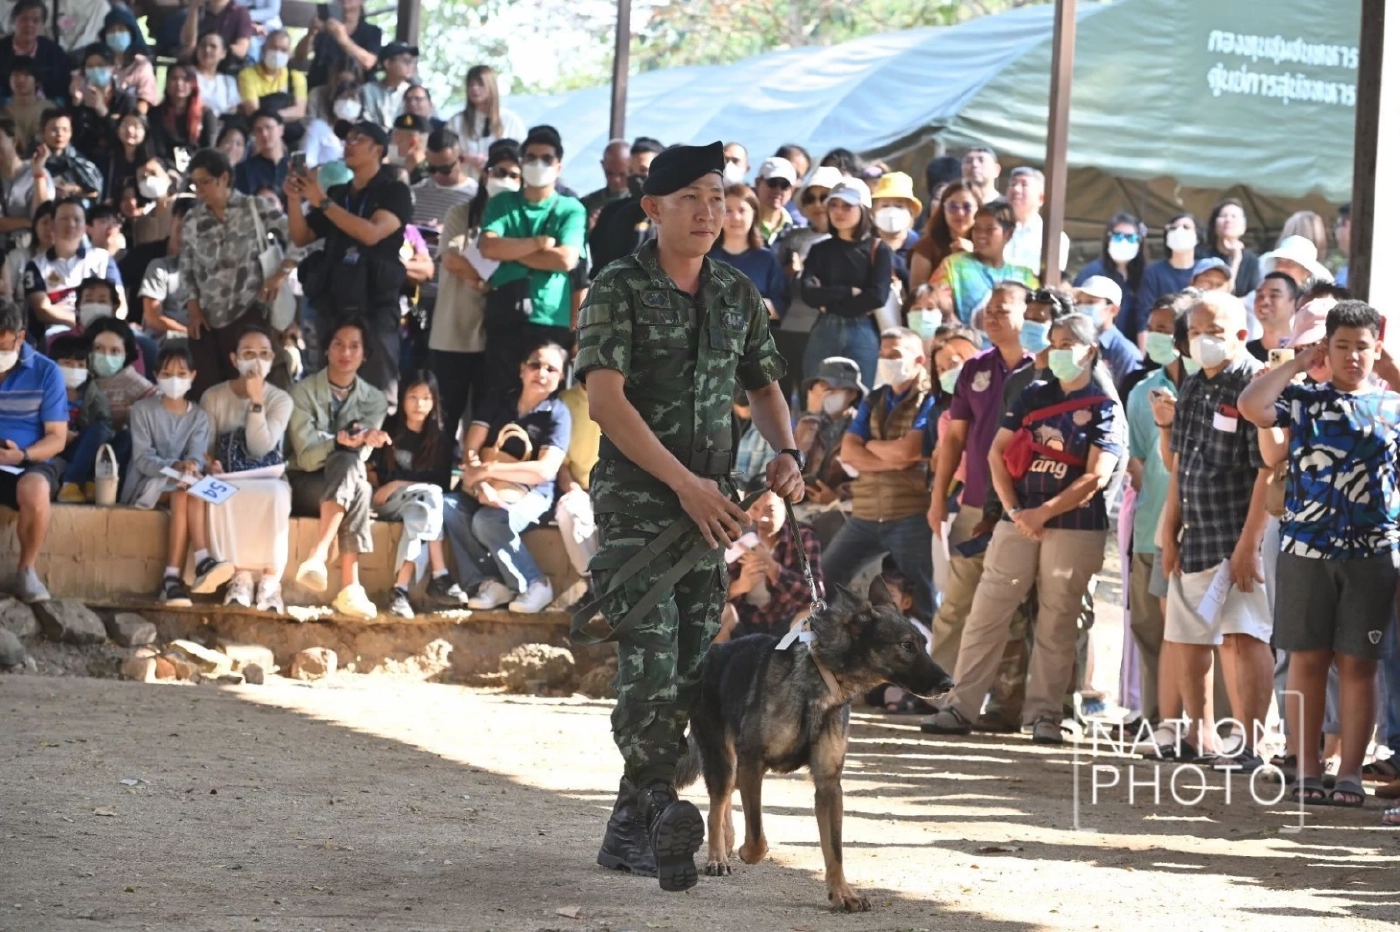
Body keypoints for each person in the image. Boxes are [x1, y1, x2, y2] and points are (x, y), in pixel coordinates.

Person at [573, 141, 800, 891]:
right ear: (653, 210)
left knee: (691, 664)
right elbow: (606, 401)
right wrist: (684, 484)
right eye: (692, 199)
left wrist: (788, 451)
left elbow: (765, 387)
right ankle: (652, 808)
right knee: (651, 655)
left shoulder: (735, 293)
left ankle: (634, 817)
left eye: (718, 196)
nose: (711, 210)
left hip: (713, 509)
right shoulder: (618, 287)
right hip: (642, 502)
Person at [923, 313, 1125, 743]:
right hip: (1018, 520)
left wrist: (1043, 513)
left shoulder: (1106, 406)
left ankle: (1045, 716)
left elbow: (1097, 476)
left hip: (1074, 526)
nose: (1057, 350)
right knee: (986, 613)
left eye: (1069, 342)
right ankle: (960, 707)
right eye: (1053, 342)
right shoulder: (1032, 394)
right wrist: (1016, 510)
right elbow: (996, 453)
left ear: (1090, 350)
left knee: (1057, 622)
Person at [1238, 300, 1400, 806]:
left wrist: (1392, 367)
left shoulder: (1392, 405)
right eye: (1342, 346)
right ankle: (1307, 766)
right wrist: (1295, 362)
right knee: (1306, 659)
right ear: (1327, 348)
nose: (1353, 357)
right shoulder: (1305, 399)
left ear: (1377, 348)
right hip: (1307, 548)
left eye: (1362, 347)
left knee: (1359, 664)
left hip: (1373, 554)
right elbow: (1251, 406)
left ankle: (1349, 771)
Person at [1159, 291, 1273, 766]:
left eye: (1216, 332)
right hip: (1195, 532)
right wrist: (1169, 530)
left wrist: (1249, 544)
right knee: (1188, 637)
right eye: (1197, 333)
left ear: (1243, 335)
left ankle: (1253, 742)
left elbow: (1267, 472)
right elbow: (1179, 464)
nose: (1204, 341)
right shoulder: (1190, 385)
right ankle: (1198, 734)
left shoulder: (1254, 387)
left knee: (1243, 636)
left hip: (1238, 533)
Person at [924, 281, 1031, 676]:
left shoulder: (1043, 369)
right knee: (955, 603)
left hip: (1023, 508)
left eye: (1004, 310)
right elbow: (954, 439)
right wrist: (938, 499)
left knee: (1013, 609)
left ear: (1027, 315)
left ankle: (1000, 698)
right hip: (972, 503)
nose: (993, 317)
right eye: (990, 310)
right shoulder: (975, 368)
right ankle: (937, 689)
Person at [442, 340, 571, 614]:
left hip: (534, 493)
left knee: (487, 520)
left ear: (560, 378)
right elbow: (471, 449)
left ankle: (535, 584)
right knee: (449, 506)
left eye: (552, 369)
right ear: (523, 369)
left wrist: (488, 471)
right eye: (536, 365)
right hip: (485, 486)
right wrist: (481, 487)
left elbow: (544, 470)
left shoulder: (558, 415)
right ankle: (489, 583)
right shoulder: (498, 400)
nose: (542, 373)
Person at [286, 119, 413, 393]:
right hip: (334, 302)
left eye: (358, 139)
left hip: (374, 303)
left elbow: (371, 233)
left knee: (377, 392)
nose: (348, 144)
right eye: (347, 138)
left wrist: (321, 200)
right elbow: (301, 236)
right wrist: (294, 199)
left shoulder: (395, 191)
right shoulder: (338, 193)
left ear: (378, 149)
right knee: (327, 389)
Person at [821, 327, 936, 621]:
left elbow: (910, 452)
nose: (887, 361)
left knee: (922, 601)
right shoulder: (875, 399)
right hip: (866, 513)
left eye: (895, 355)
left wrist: (869, 447)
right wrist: (892, 456)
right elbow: (849, 453)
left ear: (919, 360)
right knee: (824, 582)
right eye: (883, 354)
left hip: (910, 513)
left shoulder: (930, 398)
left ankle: (926, 663)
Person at [1124, 292, 1198, 726]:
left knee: (1198, 634)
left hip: (1203, 530)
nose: (1158, 336)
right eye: (1153, 326)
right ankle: (1155, 720)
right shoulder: (1141, 391)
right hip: (1152, 525)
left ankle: (1200, 724)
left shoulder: (1210, 389)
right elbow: (1137, 460)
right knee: (1151, 631)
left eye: (1168, 327)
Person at [288, 318, 387, 619]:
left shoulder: (375, 400)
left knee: (355, 474)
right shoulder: (302, 392)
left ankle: (321, 560)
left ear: (364, 354)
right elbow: (304, 458)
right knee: (352, 470)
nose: (346, 352)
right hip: (305, 482)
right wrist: (337, 442)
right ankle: (348, 584)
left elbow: (361, 455)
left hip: (344, 480)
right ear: (327, 350)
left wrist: (351, 443)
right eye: (339, 344)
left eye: (354, 346)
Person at [476, 125, 585, 386]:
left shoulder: (571, 209)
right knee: (500, 399)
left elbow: (565, 260)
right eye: (532, 157)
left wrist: (511, 252)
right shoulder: (502, 203)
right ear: (522, 163)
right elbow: (488, 248)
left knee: (542, 405)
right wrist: (538, 243)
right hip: (505, 316)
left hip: (551, 320)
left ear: (559, 167)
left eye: (547, 158)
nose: (539, 163)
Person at [183, 147, 296, 398]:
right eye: (195, 184)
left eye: (205, 182)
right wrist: (192, 306)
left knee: (253, 388)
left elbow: (297, 237)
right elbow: (187, 265)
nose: (199, 190)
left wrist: (280, 274)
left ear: (223, 178)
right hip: (207, 320)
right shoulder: (192, 218)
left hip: (250, 311)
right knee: (210, 393)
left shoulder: (254, 207)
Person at [121, 343, 229, 604]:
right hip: (147, 482)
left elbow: (196, 455)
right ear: (156, 375)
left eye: (181, 373)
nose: (174, 380)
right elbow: (144, 459)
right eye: (167, 373)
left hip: (182, 485)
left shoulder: (200, 418)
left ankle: (171, 579)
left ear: (193, 375)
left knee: (184, 491)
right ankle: (201, 559)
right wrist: (177, 466)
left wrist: (190, 466)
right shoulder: (142, 411)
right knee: (184, 489)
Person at [200, 325, 294, 612]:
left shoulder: (280, 399)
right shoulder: (213, 396)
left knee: (276, 495)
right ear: (234, 359)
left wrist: (257, 401)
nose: (256, 361)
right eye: (249, 353)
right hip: (224, 474)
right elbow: (204, 445)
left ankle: (269, 579)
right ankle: (237, 574)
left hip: (266, 476)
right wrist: (209, 464)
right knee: (214, 494)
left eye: (264, 354)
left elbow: (259, 448)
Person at [429, 142, 513, 444]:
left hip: (494, 337)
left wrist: (485, 281)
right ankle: (435, 480)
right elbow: (451, 260)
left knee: (483, 419)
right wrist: (493, 280)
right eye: (498, 171)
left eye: (513, 175)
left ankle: (473, 481)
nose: (504, 179)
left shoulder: (521, 222)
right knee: (443, 417)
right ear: (484, 174)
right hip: (451, 333)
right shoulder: (461, 213)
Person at [371, 371, 469, 619]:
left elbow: (441, 484)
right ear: (402, 399)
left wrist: (399, 482)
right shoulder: (389, 427)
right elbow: (372, 471)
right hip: (387, 502)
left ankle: (400, 590)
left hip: (419, 504)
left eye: (426, 398)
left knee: (423, 510)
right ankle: (440, 575)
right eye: (413, 397)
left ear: (434, 402)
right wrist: (387, 487)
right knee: (428, 501)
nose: (419, 404)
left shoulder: (441, 437)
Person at [0, 298, 65, 602]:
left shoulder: (47, 372)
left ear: (20, 337)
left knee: (36, 491)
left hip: (29, 461)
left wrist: (22, 456)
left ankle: (26, 571)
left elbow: (56, 438)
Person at [799, 178, 890, 388]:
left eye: (847, 205)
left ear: (863, 209)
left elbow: (877, 296)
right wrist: (849, 291)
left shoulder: (878, 249)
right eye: (833, 204)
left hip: (862, 329)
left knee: (861, 399)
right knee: (816, 395)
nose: (838, 211)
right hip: (824, 328)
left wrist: (829, 299)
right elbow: (808, 293)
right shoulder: (819, 250)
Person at [717, 484, 823, 642]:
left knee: (810, 617)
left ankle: (800, 664)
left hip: (785, 621)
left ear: (785, 509)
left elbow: (816, 595)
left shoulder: (802, 538)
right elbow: (711, 595)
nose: (762, 518)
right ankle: (716, 663)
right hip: (742, 621)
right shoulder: (733, 538)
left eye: (770, 510)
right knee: (722, 613)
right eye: (754, 509)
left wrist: (774, 569)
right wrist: (741, 585)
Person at [772, 164, 840, 401]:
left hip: (828, 334)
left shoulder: (855, 242)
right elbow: (777, 284)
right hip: (789, 331)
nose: (818, 204)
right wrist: (791, 274)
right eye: (811, 198)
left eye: (826, 196)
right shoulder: (794, 237)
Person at [930, 199, 1037, 327]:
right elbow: (936, 306)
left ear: (1008, 234)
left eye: (989, 230)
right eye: (977, 229)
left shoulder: (1024, 275)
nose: (980, 235)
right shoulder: (953, 266)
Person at [23, 196, 121, 332]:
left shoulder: (102, 258)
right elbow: (43, 311)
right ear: (52, 225)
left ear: (85, 226)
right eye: (64, 219)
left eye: (77, 219)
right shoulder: (35, 266)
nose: (71, 224)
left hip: (104, 327)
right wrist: (81, 323)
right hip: (59, 330)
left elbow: (120, 304)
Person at [587, 137, 664, 277]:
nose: (636, 178)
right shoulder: (614, 213)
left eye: (643, 171)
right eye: (631, 171)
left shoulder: (677, 217)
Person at [709, 183, 786, 321]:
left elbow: (779, 307)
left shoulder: (767, 259)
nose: (736, 217)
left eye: (742, 210)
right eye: (728, 211)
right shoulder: (704, 257)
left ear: (754, 214)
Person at [1074, 213, 1148, 342]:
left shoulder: (1144, 275)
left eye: (1130, 238)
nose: (1124, 242)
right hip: (1095, 344)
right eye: (1118, 236)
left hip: (1132, 348)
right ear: (1108, 239)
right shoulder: (1092, 272)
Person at [909, 179, 979, 299]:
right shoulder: (926, 247)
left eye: (967, 207)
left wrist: (973, 258)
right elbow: (916, 297)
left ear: (978, 210)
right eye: (953, 207)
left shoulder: (987, 245)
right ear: (943, 209)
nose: (960, 213)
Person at [447, 65, 525, 170]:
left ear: (491, 86)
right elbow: (444, 153)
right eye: (471, 85)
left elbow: (522, 154)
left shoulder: (510, 120)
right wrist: (467, 158)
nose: (474, 88)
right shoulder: (456, 122)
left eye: (480, 84)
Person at [1073, 275, 1142, 393]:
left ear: (1113, 310)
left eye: (1090, 302)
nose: (1082, 308)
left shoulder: (1125, 353)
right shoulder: (1074, 343)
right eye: (1079, 302)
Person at [294, 0, 381, 89]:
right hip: (320, 89)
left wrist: (343, 39)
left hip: (355, 92)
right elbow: (299, 57)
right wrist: (310, 34)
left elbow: (368, 62)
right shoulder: (325, 27)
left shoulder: (372, 32)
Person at [0, 0, 71, 104]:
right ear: (14, 21)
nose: (29, 25)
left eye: (36, 21)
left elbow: (61, 90)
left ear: (42, 25)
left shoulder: (55, 53)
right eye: (24, 19)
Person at [150, 64, 217, 171]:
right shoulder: (156, 113)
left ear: (193, 84)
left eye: (185, 79)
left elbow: (208, 150)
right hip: (165, 169)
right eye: (174, 78)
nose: (179, 83)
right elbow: (158, 150)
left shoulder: (206, 115)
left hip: (198, 170)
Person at [1003, 166, 1069, 274]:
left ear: (1041, 198)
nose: (1016, 189)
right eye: (1013, 184)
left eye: (1024, 185)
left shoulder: (1055, 239)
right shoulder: (994, 229)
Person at [1137, 214, 1201, 318]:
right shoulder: (1152, 273)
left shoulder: (1205, 271)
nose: (1179, 231)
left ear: (1197, 237)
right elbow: (1144, 315)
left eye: (1186, 227)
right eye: (1173, 228)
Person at [237, 29, 306, 124]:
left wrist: (272, 116)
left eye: (283, 50)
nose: (278, 53)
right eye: (273, 48)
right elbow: (253, 111)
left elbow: (299, 111)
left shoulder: (296, 77)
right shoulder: (247, 75)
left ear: (289, 54)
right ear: (263, 49)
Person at [36, 109, 103, 202]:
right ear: (43, 132)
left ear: (71, 133)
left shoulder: (78, 161)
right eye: (54, 129)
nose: (60, 134)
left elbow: (95, 192)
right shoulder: (33, 161)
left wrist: (73, 190)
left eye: (65, 130)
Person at [99, 11, 158, 110]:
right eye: (111, 31)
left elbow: (144, 101)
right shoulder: (99, 63)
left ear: (131, 34)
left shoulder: (142, 65)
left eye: (121, 30)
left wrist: (131, 119)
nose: (116, 34)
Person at [1245, 272, 1301, 362]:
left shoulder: (1303, 355)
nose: (1264, 301)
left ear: (1294, 304)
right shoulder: (1244, 354)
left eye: (1274, 296)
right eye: (1260, 296)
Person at [178, 0, 254, 66]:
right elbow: (188, 43)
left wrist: (216, 49)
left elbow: (241, 49)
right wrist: (194, 7)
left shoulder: (241, 13)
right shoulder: (198, 11)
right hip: (198, 63)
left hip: (226, 65)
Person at [360, 41, 417, 129]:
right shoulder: (368, 90)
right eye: (406, 61)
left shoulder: (413, 93)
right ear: (388, 63)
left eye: (412, 62)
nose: (410, 65)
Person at [233, 110, 289, 196]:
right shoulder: (244, 170)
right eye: (258, 130)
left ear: (281, 130)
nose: (264, 134)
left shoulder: (295, 166)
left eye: (269, 128)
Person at [2, 57, 48, 152]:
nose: (20, 80)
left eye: (26, 75)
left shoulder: (49, 109)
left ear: (36, 80)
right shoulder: (3, 113)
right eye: (15, 75)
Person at [192, 33, 241, 119]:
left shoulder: (229, 82)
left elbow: (233, 111)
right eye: (203, 45)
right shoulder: (188, 75)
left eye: (213, 46)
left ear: (223, 53)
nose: (207, 49)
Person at [1259, 235, 1333, 289]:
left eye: (1290, 263)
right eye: (1279, 262)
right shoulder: (1260, 297)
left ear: (1307, 272)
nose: (1281, 268)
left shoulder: (1318, 303)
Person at [582, 138, 631, 221]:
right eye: (610, 173)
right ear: (603, 165)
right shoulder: (588, 203)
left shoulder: (641, 203)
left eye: (622, 174)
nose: (616, 180)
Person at [752, 156, 796, 246]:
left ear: (792, 191)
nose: (778, 190)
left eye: (785, 185)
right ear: (757, 183)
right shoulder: (739, 222)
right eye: (772, 183)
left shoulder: (796, 229)